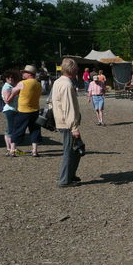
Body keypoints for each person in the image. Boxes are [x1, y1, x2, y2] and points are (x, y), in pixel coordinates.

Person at [51, 58, 82, 187]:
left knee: (76, 149)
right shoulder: (67, 85)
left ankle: (70, 174)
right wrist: (74, 127)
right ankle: (64, 180)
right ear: (73, 70)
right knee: (69, 151)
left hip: (62, 121)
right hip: (67, 124)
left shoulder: (58, 82)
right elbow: (68, 108)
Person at [8, 65, 42, 157]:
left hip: (23, 110)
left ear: (29, 74)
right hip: (35, 110)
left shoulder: (22, 83)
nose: (22, 74)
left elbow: (13, 91)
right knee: (35, 130)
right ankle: (34, 150)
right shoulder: (38, 84)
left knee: (17, 130)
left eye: (24, 72)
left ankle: (12, 150)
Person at [1, 70, 21, 156]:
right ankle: (10, 148)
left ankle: (11, 148)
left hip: (14, 110)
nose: (11, 79)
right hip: (10, 110)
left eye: (12, 77)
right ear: (6, 79)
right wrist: (14, 93)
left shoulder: (11, 86)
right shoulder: (7, 87)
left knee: (10, 129)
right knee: (11, 130)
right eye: (9, 77)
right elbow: (7, 100)